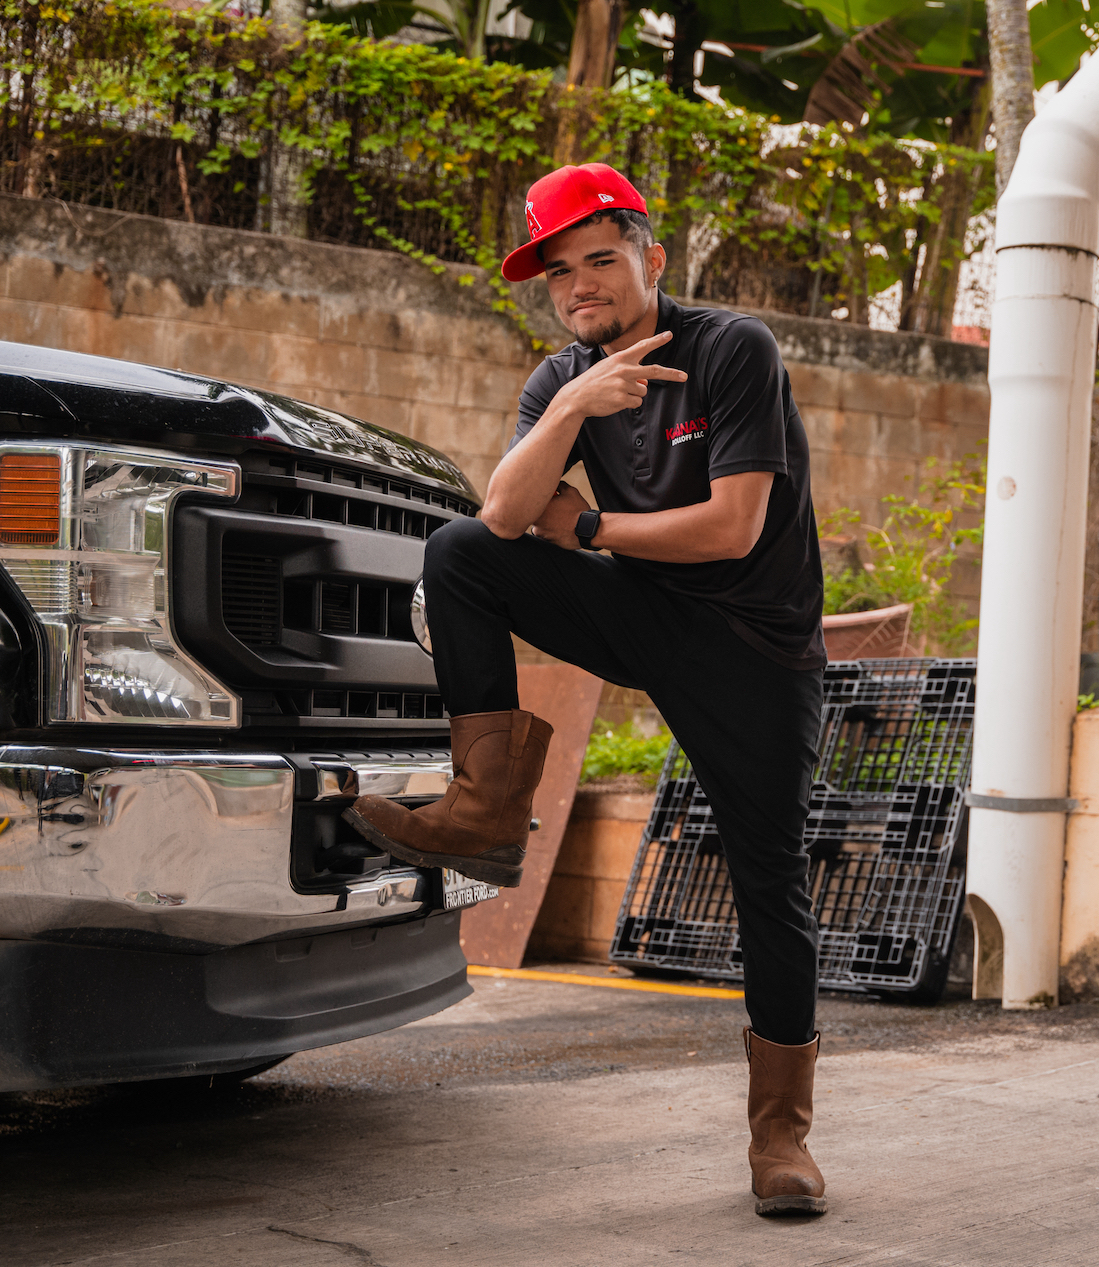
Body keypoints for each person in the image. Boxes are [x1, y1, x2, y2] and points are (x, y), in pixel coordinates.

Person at [344, 162, 830, 1218]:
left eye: (600, 260)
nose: (579, 287)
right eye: (558, 273)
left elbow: (732, 526)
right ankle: (483, 807)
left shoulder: (729, 349)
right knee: (462, 551)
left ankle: (779, 1137)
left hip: (755, 650)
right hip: (649, 618)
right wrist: (571, 401)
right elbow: (506, 513)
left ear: (652, 254)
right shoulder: (563, 377)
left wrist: (596, 527)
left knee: (767, 886)